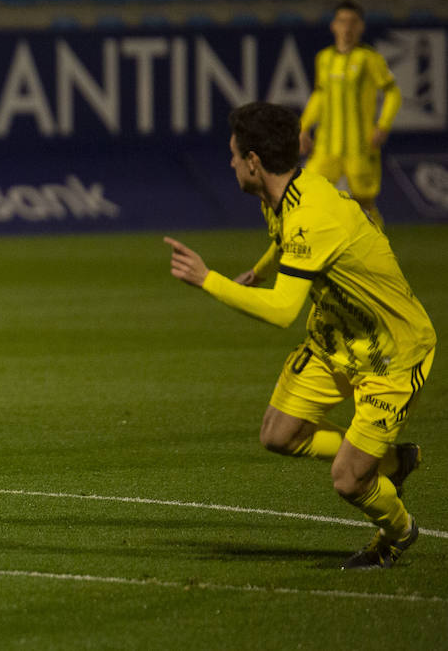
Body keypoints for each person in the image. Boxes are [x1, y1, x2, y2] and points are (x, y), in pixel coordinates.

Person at [165, 101, 435, 570]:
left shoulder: (314, 213)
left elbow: (282, 309)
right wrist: (262, 268)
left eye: (234, 155)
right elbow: (285, 240)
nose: (230, 163)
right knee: (279, 434)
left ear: (253, 161)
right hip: (337, 340)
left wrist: (209, 279)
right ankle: (393, 462)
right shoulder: (287, 194)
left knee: (349, 480)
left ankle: (397, 532)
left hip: (392, 354)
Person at [298, 0, 401, 229]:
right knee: (307, 193)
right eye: (342, 21)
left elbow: (393, 93)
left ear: (361, 27)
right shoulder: (324, 58)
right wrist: (303, 127)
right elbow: (319, 95)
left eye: (353, 22)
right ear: (333, 25)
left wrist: (383, 125)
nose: (347, 28)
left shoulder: (369, 59)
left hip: (360, 145)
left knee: (364, 202)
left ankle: (378, 254)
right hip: (326, 147)